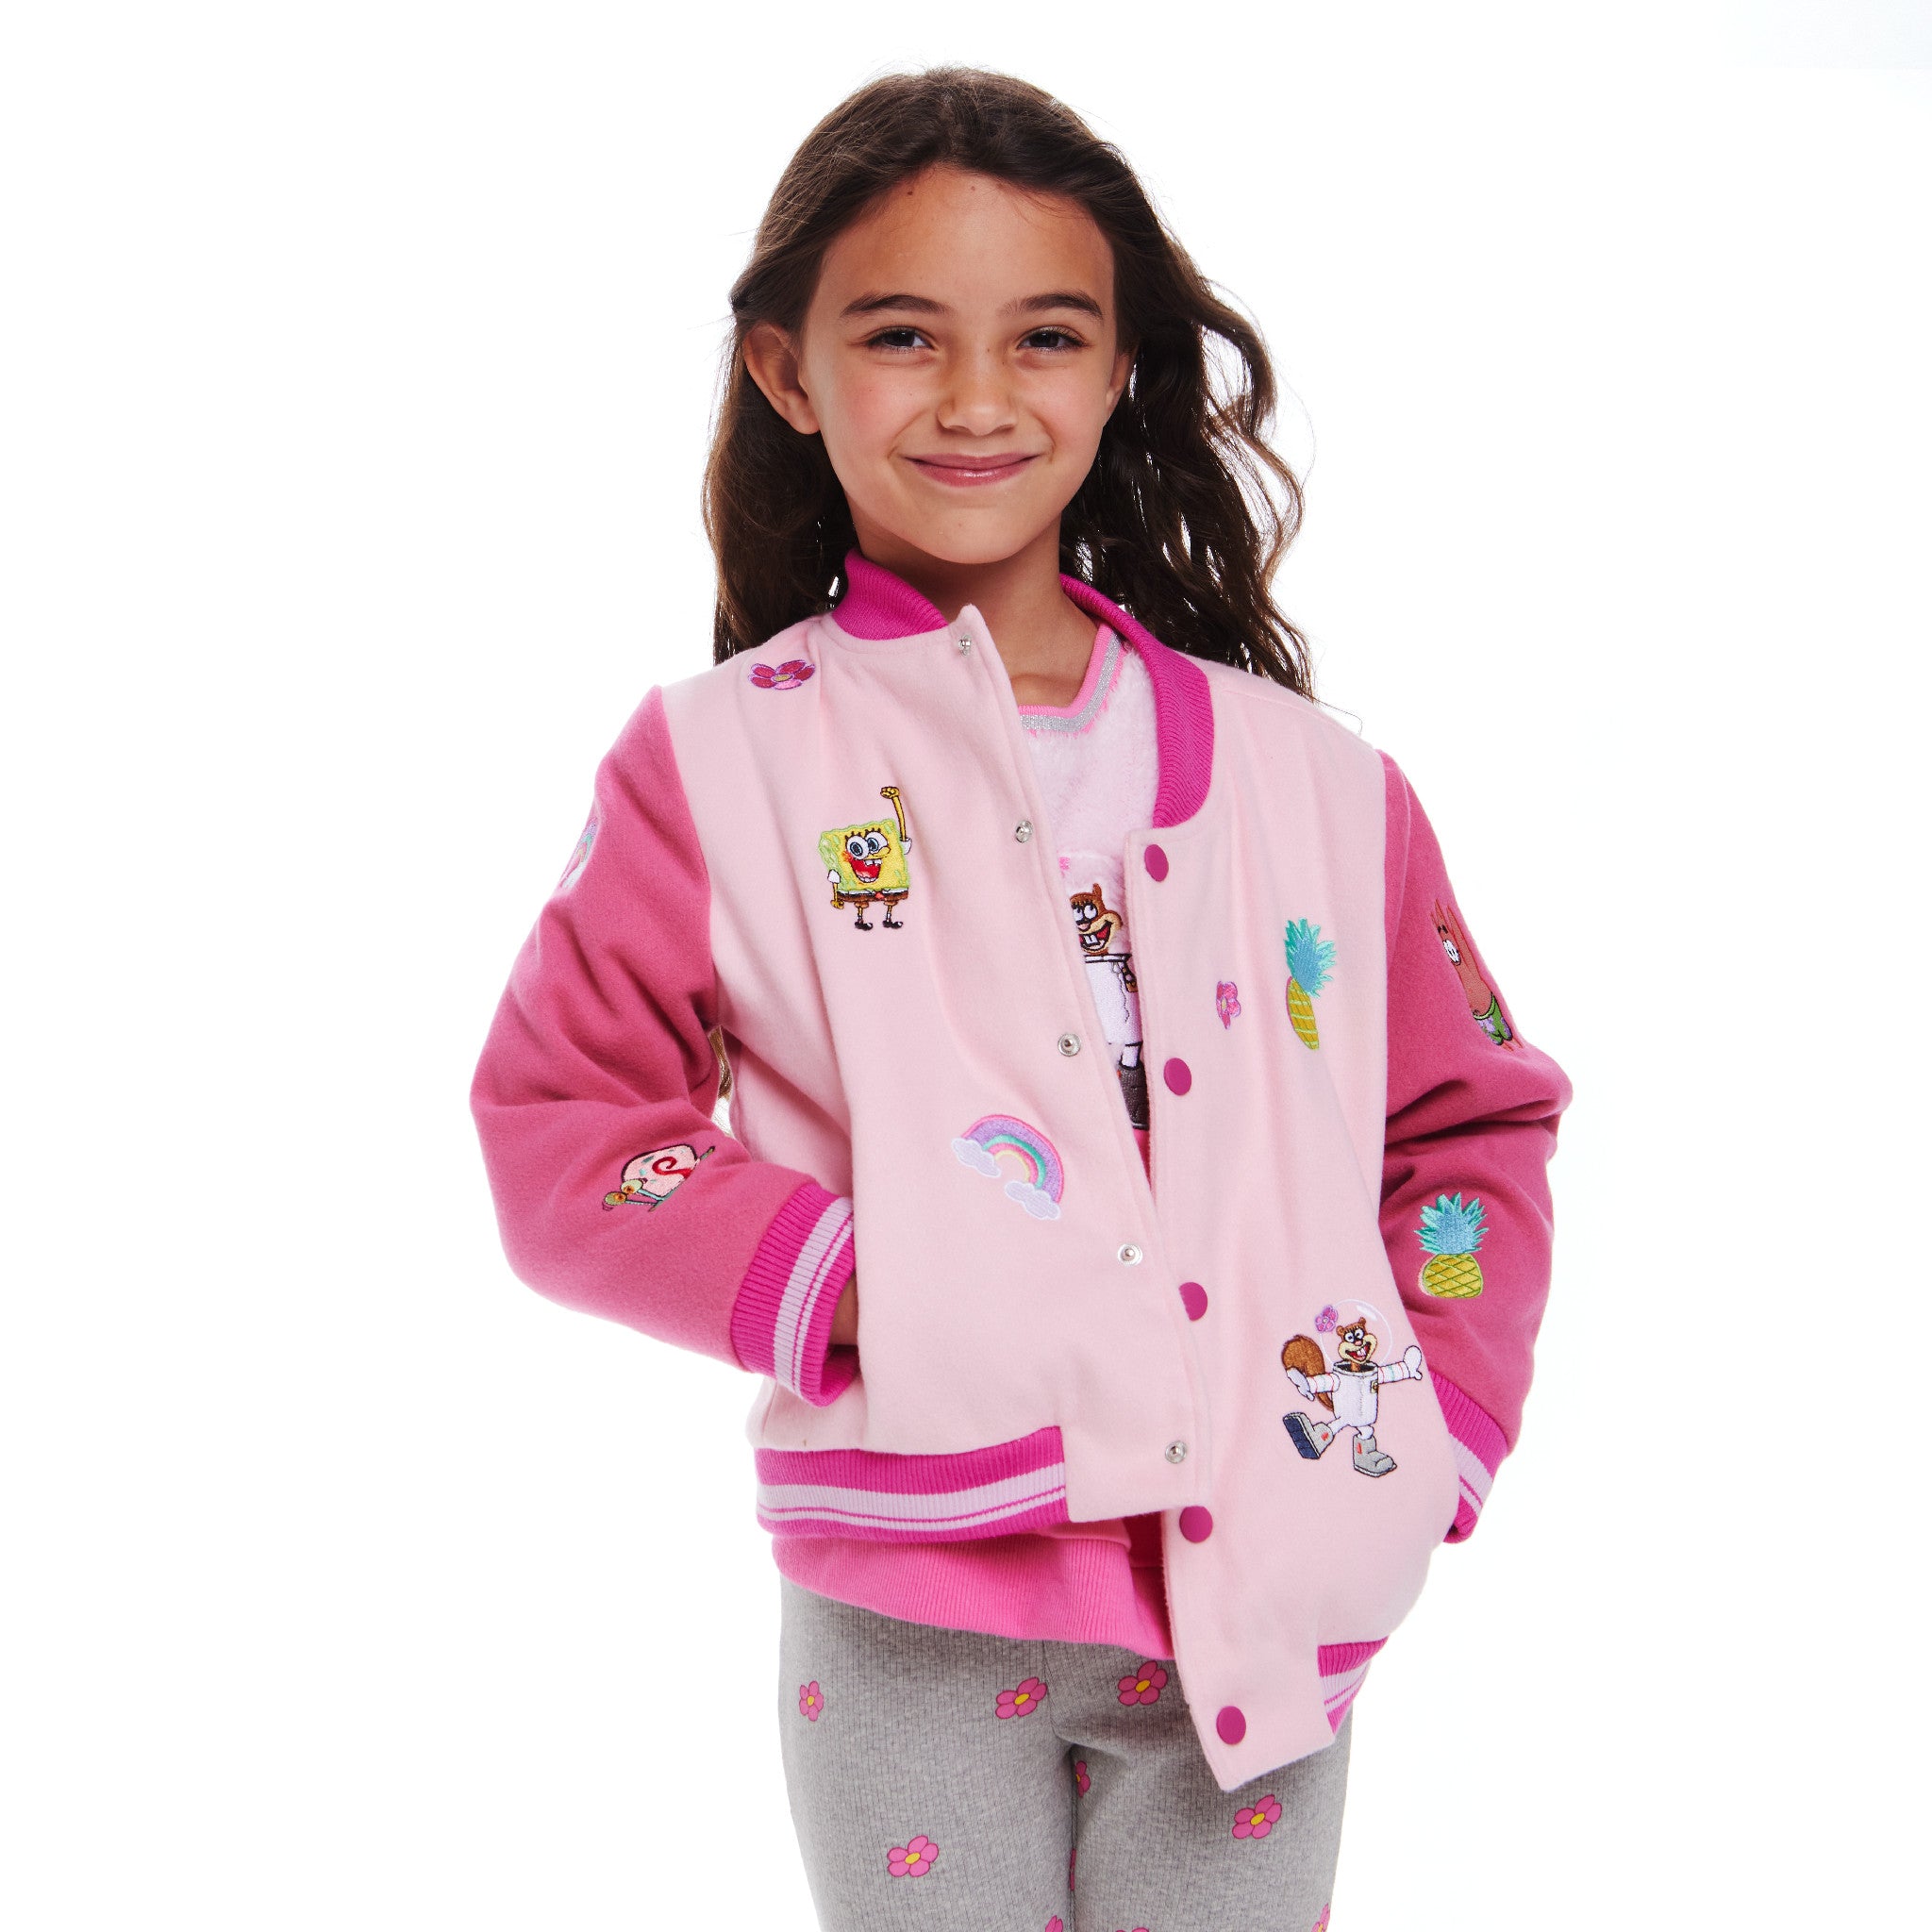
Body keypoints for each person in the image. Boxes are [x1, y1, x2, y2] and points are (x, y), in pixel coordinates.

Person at [470, 66, 1573, 1932]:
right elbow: (563, 1125)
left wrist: (1436, 1420)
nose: (977, 398)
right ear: (787, 370)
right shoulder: (724, 762)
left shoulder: (1315, 782)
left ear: (1122, 368)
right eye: (902, 335)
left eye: (1045, 337)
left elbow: (1469, 1124)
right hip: (913, 1598)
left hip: (1277, 1585)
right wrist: (867, 1285)